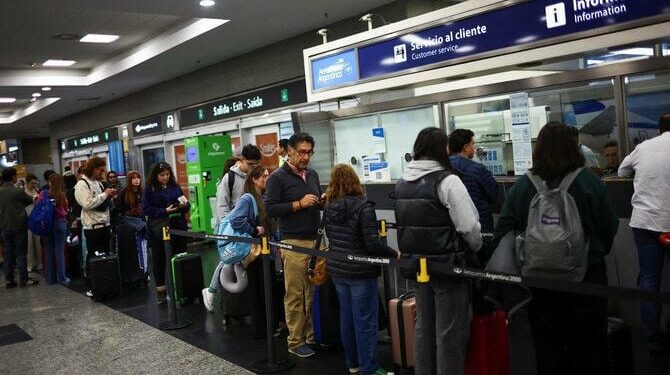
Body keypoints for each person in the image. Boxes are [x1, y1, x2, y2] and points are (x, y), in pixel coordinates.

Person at [492, 122, 618, 374]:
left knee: (547, 346)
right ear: (574, 148)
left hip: (539, 280)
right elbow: (608, 225)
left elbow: (503, 230)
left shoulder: (524, 185)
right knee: (589, 346)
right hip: (586, 277)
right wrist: (592, 253)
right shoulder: (588, 181)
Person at [394, 127, 481, 375]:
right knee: (449, 333)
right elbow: (468, 227)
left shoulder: (403, 183)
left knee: (424, 329)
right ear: (440, 149)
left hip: (419, 269)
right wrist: (476, 248)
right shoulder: (448, 181)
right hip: (448, 267)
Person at [324, 164, 398, 375]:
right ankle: (369, 368)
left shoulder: (329, 206)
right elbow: (372, 244)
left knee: (346, 317)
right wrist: (394, 253)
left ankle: (353, 363)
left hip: (338, 270)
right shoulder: (364, 207)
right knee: (365, 320)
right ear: (354, 181)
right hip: (361, 271)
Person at [264, 132, 323, 358]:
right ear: (289, 151)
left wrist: (320, 201)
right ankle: (295, 340)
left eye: (309, 152)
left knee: (312, 292)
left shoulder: (313, 175)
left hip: (315, 240)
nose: (306, 157)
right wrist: (299, 203)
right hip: (293, 242)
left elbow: (313, 203)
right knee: (295, 294)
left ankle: (311, 335)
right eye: (302, 152)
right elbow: (271, 209)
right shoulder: (278, 177)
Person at [203, 166, 277, 336]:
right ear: (254, 179)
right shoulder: (248, 198)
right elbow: (236, 219)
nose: (267, 179)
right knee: (258, 291)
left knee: (265, 290)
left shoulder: (262, 197)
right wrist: (253, 230)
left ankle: (267, 328)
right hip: (254, 253)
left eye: (268, 176)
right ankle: (261, 330)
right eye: (264, 176)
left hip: (264, 251)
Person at [618, 113, 670, 354]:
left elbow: (621, 172)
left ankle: (652, 336)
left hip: (645, 222)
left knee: (649, 280)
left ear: (659, 129)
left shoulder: (643, 147)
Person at [142, 162, 189, 304]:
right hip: (159, 229)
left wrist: (183, 206)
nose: (165, 178)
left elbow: (186, 203)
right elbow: (146, 209)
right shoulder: (150, 189)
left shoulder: (175, 186)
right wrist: (164, 211)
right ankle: (161, 291)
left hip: (178, 227)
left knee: (180, 256)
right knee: (159, 260)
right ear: (156, 175)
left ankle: (182, 288)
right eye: (162, 175)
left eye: (167, 174)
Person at [74, 156, 117, 297]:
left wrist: (109, 196)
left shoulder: (98, 183)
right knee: (93, 257)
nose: (103, 173)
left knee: (105, 256)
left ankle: (104, 284)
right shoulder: (82, 184)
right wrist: (105, 194)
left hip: (105, 224)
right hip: (92, 228)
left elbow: (101, 204)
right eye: (100, 170)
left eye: (104, 170)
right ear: (92, 168)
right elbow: (87, 203)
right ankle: (92, 285)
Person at [448, 128, 498, 235]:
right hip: (479, 227)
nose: (474, 147)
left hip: (452, 228)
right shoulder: (477, 169)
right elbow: (493, 193)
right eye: (472, 144)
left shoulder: (443, 168)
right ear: (466, 147)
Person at [0, 167, 39, 288]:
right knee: (21, 253)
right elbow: (30, 201)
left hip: (5, 226)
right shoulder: (18, 191)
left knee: (8, 253)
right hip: (19, 225)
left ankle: (9, 280)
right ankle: (24, 279)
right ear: (13, 177)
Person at [215, 145, 261, 226]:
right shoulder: (230, 178)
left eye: (256, 164)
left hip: (257, 227)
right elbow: (222, 205)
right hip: (236, 227)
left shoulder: (260, 176)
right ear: (242, 159)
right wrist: (228, 226)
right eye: (250, 164)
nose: (253, 167)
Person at [40, 173, 70, 285]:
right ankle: (61, 278)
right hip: (60, 224)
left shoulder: (43, 193)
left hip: (47, 224)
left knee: (48, 251)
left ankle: (50, 278)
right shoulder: (62, 195)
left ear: (50, 182)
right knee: (59, 251)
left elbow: (39, 206)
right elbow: (66, 209)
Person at [24, 173, 43, 273]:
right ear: (27, 182)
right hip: (27, 220)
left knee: (38, 243)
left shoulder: (36, 191)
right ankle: (30, 265)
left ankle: (40, 263)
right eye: (32, 183)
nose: (34, 185)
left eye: (36, 183)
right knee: (29, 244)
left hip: (36, 220)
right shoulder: (22, 192)